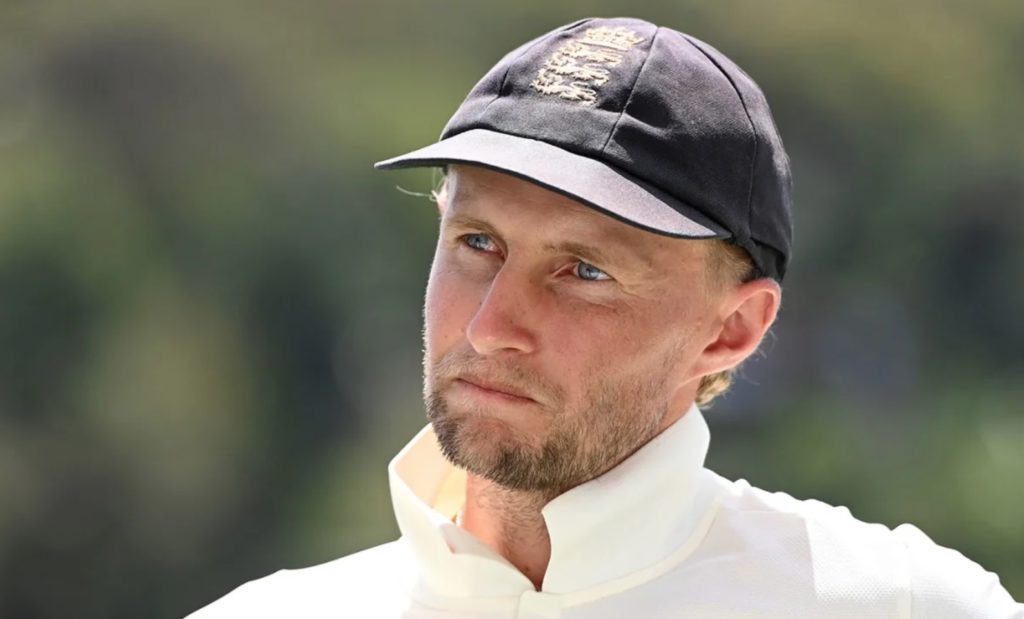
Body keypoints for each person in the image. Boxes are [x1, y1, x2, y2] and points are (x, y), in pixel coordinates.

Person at [188, 17, 1022, 618]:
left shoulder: (901, 606)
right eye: (476, 241)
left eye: (583, 271)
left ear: (730, 331)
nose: (489, 326)